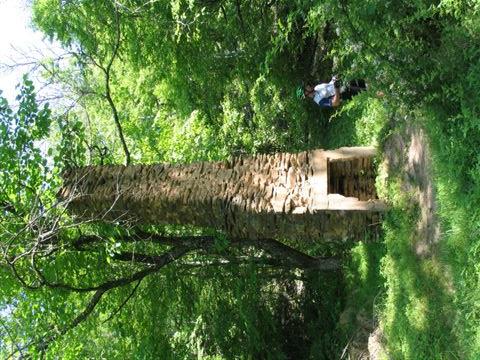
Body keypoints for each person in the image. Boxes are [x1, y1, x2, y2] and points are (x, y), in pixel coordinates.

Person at [296, 77, 367, 109]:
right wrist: (337, 88)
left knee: (367, 82)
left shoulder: (316, 88)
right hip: (346, 92)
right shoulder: (319, 101)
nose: (307, 85)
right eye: (306, 87)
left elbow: (329, 85)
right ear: (306, 93)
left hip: (345, 83)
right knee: (368, 91)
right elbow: (336, 103)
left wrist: (333, 79)